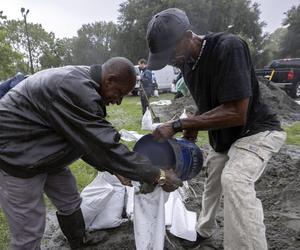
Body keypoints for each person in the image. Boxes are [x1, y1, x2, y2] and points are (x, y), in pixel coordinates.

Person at [0, 57, 182, 250]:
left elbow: (83, 139)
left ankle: (78, 243)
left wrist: (114, 169)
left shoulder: (86, 84)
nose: (118, 101)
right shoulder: (74, 88)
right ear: (109, 79)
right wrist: (158, 175)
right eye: (119, 93)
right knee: (29, 230)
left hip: (42, 149)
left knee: (69, 198)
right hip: (17, 157)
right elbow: (104, 145)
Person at [146, 8, 286, 250]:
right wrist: (191, 131)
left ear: (189, 36)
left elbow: (236, 112)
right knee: (213, 178)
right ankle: (203, 230)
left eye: (172, 53)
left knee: (234, 179)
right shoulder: (188, 66)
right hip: (226, 137)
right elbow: (209, 107)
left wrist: (179, 124)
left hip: (256, 130)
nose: (171, 61)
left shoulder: (228, 47)